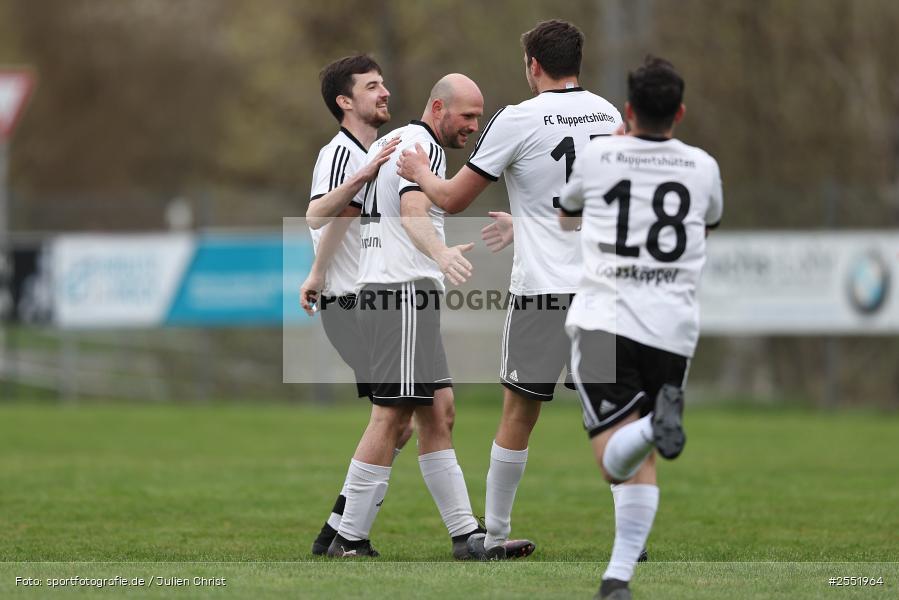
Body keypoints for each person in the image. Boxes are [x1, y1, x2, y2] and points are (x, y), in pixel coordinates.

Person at [396, 19, 621, 559]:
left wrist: (419, 173)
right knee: (613, 417)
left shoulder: (518, 119)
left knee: (519, 416)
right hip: (603, 290)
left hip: (543, 292)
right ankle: (629, 542)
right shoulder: (612, 116)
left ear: (533, 66)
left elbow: (451, 200)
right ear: (579, 63)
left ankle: (493, 536)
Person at [329, 73, 536, 560]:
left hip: (406, 293)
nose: (474, 126)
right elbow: (412, 210)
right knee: (392, 414)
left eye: (480, 118)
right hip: (398, 292)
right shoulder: (422, 146)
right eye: (467, 116)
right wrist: (440, 253)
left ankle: (466, 536)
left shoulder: (404, 140)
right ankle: (348, 539)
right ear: (439, 108)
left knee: (438, 412)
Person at [558, 56, 723, 600]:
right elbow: (709, 218)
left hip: (605, 320)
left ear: (627, 111)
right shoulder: (703, 166)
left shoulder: (600, 153)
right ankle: (617, 580)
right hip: (672, 329)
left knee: (615, 460)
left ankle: (656, 427)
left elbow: (566, 212)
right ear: (680, 112)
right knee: (638, 462)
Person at [299, 54, 405, 557]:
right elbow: (322, 214)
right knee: (401, 414)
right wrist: (318, 275)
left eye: (383, 84)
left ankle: (337, 530)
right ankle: (345, 535)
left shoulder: (381, 150)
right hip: (352, 305)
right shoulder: (340, 153)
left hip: (376, 303)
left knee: (404, 417)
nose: (384, 92)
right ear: (345, 101)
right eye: (371, 86)